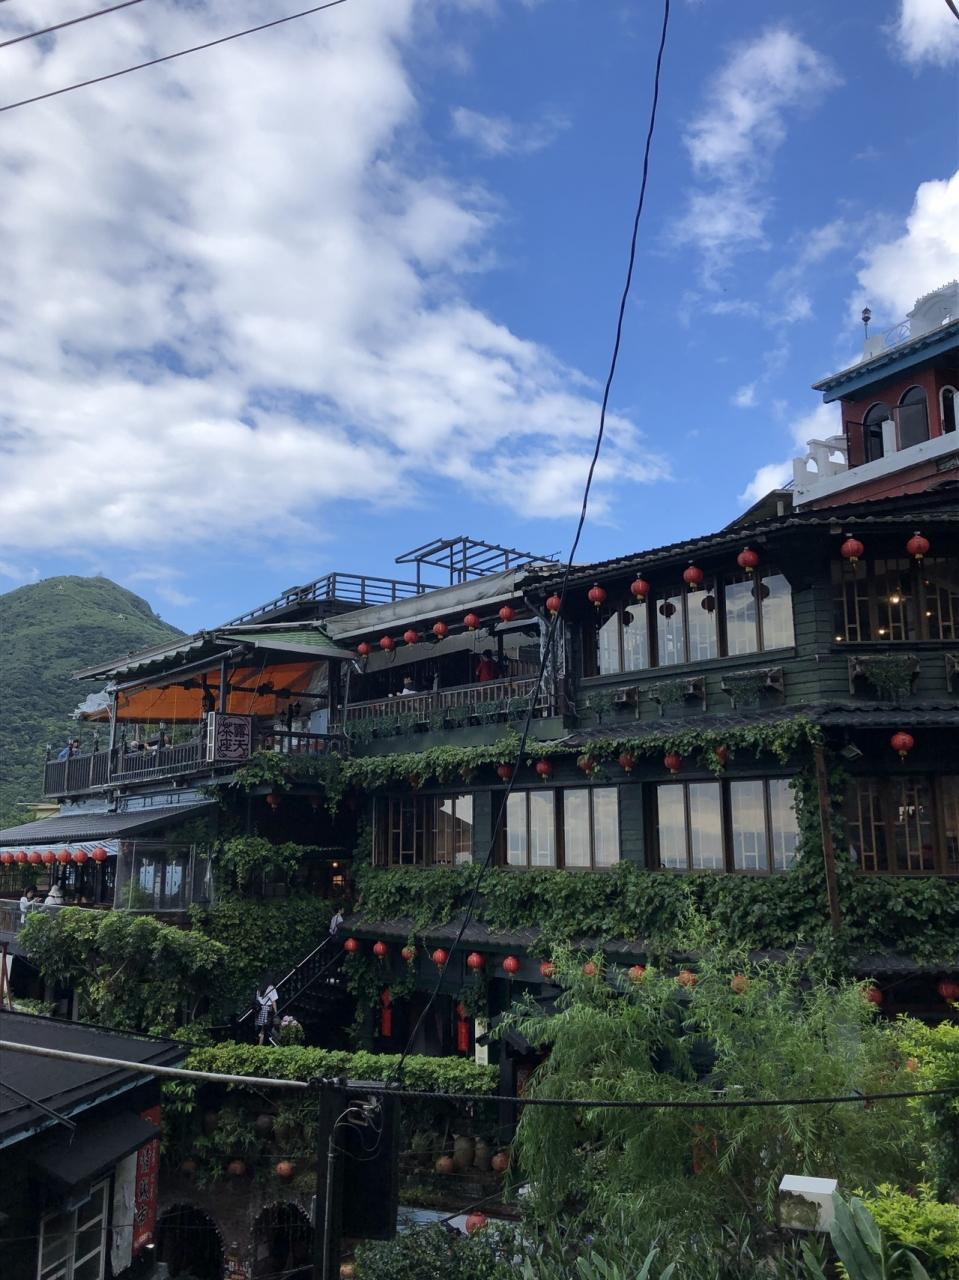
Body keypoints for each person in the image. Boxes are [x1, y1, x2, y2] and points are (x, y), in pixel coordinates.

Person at [254, 975, 279, 1045]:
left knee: (260, 1028)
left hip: (259, 1010)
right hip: (267, 1010)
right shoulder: (271, 988)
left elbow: (257, 999)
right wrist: (276, 1012)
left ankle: (258, 1043)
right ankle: (260, 1046)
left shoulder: (259, 987)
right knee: (263, 1030)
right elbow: (274, 1002)